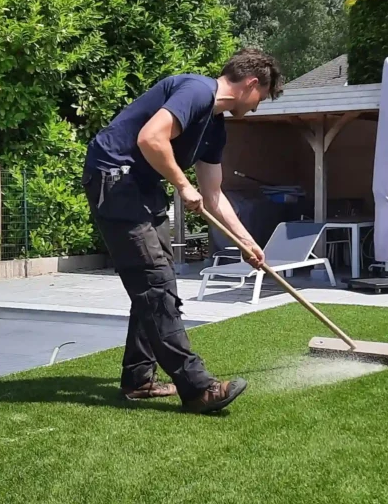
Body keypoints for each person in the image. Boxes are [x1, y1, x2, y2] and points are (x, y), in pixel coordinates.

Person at [81, 48, 284, 414]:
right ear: (251, 84)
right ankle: (198, 389)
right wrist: (181, 184)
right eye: (261, 97)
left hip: (143, 186)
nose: (258, 106)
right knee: (154, 282)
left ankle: (138, 379)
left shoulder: (215, 128)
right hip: (115, 178)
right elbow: (150, 138)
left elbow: (214, 195)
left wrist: (246, 242)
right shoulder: (197, 91)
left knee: (158, 283)